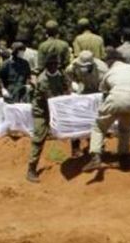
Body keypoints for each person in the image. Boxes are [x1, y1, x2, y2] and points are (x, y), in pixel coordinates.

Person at [83, 49, 130, 172]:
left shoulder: (109, 72)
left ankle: (95, 157)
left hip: (115, 98)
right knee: (125, 129)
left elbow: (104, 93)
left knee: (98, 127)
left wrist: (106, 112)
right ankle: (124, 158)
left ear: (110, 62)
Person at [28, 53, 70, 183]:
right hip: (42, 111)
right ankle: (31, 168)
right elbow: (50, 98)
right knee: (39, 138)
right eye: (51, 65)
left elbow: (66, 87)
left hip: (55, 108)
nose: (54, 67)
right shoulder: (43, 80)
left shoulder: (60, 75)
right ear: (46, 67)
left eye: (55, 65)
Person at [65, 50, 109, 157]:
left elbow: (106, 88)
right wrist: (73, 87)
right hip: (82, 93)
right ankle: (75, 147)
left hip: (97, 95)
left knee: (96, 121)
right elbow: (68, 77)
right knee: (77, 120)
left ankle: (95, 145)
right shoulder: (73, 67)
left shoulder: (102, 70)